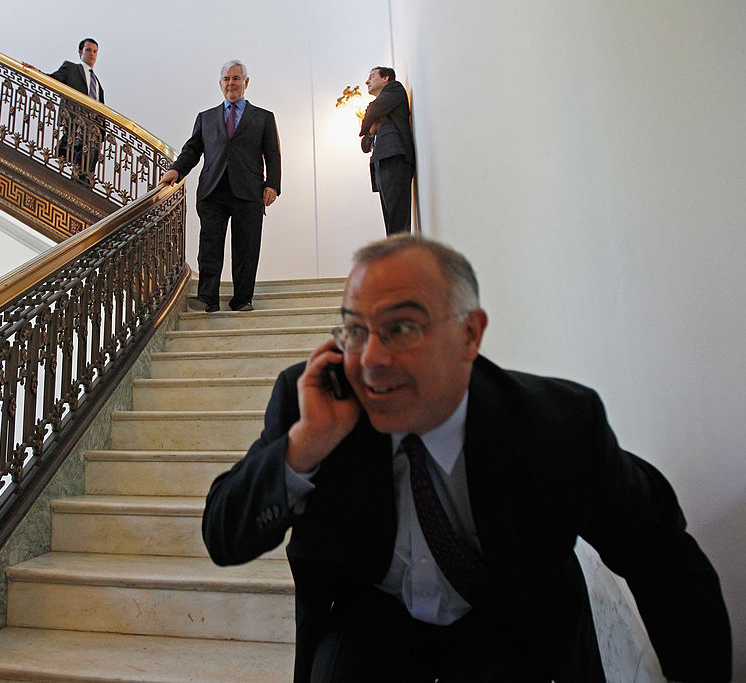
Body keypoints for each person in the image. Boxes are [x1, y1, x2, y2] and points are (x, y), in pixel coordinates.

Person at [202, 234, 731, 682]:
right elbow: (225, 538)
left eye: (401, 328)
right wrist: (305, 447)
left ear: (469, 335)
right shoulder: (314, 399)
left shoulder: (557, 425)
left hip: (516, 633)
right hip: (370, 636)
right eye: (356, 330)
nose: (371, 360)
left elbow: (662, 557)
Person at [159, 60, 280, 313]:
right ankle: (207, 299)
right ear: (220, 84)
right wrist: (176, 170)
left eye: (236, 79)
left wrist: (273, 184)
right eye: (226, 79)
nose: (231, 84)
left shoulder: (264, 117)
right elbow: (192, 150)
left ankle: (242, 299)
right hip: (213, 190)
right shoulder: (206, 117)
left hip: (248, 191)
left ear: (245, 83)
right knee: (210, 246)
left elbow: (273, 154)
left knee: (246, 247)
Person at [360, 67, 415, 235]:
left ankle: (401, 259)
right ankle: (396, 258)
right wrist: (370, 130)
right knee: (391, 221)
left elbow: (372, 111)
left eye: (372, 76)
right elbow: (364, 145)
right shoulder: (383, 105)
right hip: (382, 162)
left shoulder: (394, 88)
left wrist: (368, 124)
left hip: (394, 157)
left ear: (386, 78)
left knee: (398, 221)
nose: (367, 81)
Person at [48, 38, 104, 184]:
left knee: (91, 154)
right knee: (83, 149)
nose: (92, 54)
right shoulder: (71, 68)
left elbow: (102, 113)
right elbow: (53, 79)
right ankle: (78, 184)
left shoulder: (98, 85)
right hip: (75, 122)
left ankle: (82, 185)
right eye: (88, 50)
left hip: (92, 130)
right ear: (80, 52)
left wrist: (102, 137)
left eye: (95, 51)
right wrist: (34, 72)